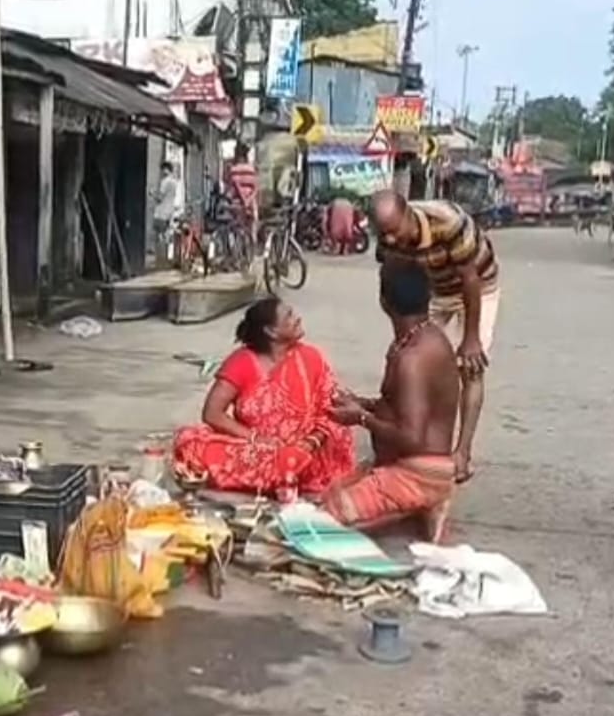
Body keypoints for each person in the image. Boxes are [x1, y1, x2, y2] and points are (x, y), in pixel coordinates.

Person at [368, 190, 501, 484]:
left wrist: (470, 340)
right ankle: (415, 445)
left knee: (471, 368)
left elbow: (470, 280)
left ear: (408, 214)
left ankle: (462, 454)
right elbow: (396, 299)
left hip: (477, 285)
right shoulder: (388, 238)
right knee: (416, 363)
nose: (389, 240)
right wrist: (402, 347)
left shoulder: (450, 222)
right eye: (383, 234)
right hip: (434, 290)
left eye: (394, 231)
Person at [323, 263, 462, 542]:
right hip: (406, 463)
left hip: (418, 470)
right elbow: (404, 404)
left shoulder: (413, 357)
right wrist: (361, 403)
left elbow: (411, 437)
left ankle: (422, 502)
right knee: (329, 493)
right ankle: (417, 508)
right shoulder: (420, 338)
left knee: (323, 521)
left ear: (384, 302)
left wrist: (360, 417)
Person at [173, 298, 356, 498]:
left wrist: (310, 442)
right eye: (289, 316)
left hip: (310, 450)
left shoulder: (312, 357)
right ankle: (283, 473)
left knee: (338, 426)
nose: (297, 319)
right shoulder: (241, 362)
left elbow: (330, 407)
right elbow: (212, 414)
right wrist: (256, 439)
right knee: (189, 440)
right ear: (271, 332)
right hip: (261, 452)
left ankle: (283, 472)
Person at [153, 161, 183, 259]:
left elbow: (160, 198)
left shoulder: (164, 182)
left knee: (159, 236)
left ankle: (161, 258)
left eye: (162, 169)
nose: (161, 172)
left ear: (165, 169)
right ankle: (168, 257)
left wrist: (152, 194)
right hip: (169, 212)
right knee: (167, 235)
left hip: (161, 212)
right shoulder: (175, 182)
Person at [224, 142, 259, 225]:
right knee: (253, 225)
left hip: (237, 202)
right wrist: (249, 199)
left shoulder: (234, 169)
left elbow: (235, 185)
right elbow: (256, 187)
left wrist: (244, 200)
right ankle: (253, 237)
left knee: (237, 226)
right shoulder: (251, 169)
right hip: (251, 202)